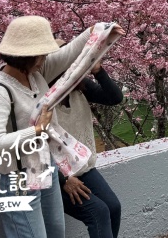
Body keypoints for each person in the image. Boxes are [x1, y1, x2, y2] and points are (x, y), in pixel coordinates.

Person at [0, 16, 123, 238]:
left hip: (41, 165)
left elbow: (70, 55)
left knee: (56, 231)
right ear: (26, 55)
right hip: (15, 175)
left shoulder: (35, 75)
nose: (46, 58)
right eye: (42, 54)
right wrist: (36, 131)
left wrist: (96, 32)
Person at [53, 45, 124, 238]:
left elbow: (115, 98)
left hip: (82, 167)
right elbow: (36, 145)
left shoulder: (80, 87)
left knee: (113, 207)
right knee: (98, 212)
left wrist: (98, 71)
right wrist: (63, 179)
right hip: (56, 175)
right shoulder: (44, 98)